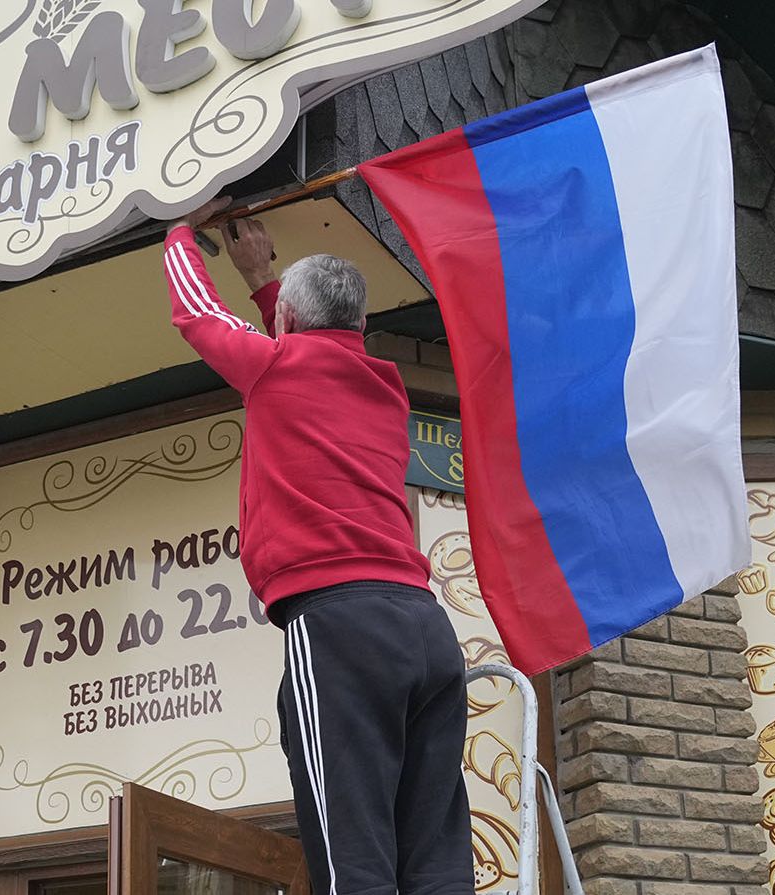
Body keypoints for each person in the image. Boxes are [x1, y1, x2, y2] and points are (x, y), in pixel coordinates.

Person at [162, 197, 474, 895]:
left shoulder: (273, 368)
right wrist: (266, 278)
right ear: (362, 325)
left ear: (289, 323)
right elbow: (313, 343)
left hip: (340, 626)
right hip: (425, 628)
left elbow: (195, 315)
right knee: (435, 860)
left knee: (348, 854)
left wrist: (178, 226)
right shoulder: (386, 390)